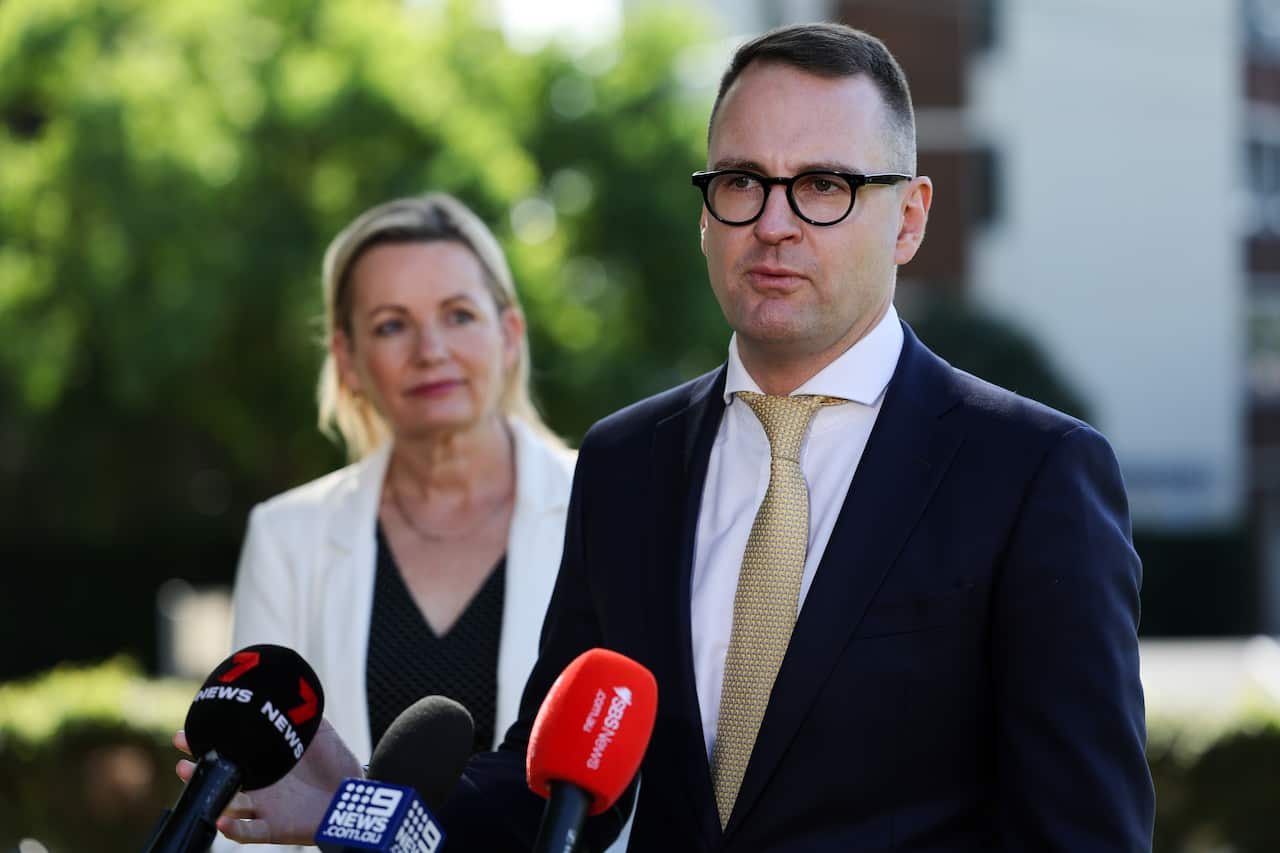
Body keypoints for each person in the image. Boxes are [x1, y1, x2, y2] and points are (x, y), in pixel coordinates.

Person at [180, 23, 1155, 851]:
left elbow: (1083, 829)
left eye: (822, 185)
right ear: (704, 213)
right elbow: (545, 789)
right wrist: (349, 811)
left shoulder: (1030, 473)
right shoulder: (627, 462)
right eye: (740, 181)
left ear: (907, 216)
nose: (772, 222)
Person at [207, 193, 581, 851]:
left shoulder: (607, 504)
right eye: (390, 325)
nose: (430, 349)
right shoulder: (286, 535)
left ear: (510, 335)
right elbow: (254, 808)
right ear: (348, 361)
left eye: (459, 314)